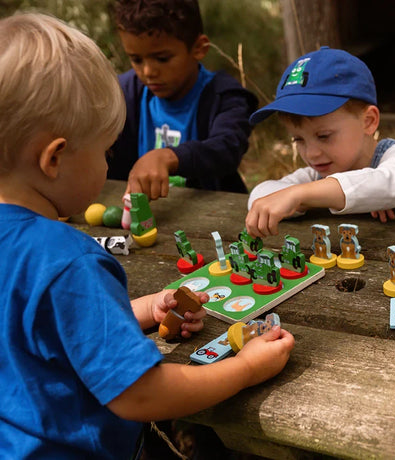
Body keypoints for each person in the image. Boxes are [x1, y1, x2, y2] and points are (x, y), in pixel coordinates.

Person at [0, 13, 294, 459]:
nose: (107, 166)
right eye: (106, 151)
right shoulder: (67, 262)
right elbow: (141, 394)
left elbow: (36, 325)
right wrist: (245, 369)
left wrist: (139, 309)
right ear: (54, 158)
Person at [245, 46, 395, 237]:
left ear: (368, 121)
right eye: (299, 139)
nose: (311, 154)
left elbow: (387, 184)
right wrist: (302, 196)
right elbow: (261, 196)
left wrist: (299, 196)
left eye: (324, 136)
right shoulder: (317, 176)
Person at [108, 0, 258, 200]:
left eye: (162, 58)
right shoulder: (121, 94)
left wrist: (170, 157)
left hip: (211, 217)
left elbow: (227, 147)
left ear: (199, 48)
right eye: (136, 60)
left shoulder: (225, 97)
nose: (148, 72)